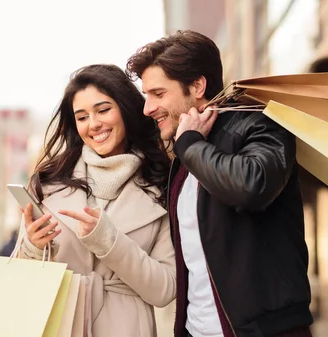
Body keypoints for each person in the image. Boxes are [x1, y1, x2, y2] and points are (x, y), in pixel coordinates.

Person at [126, 30, 313, 337]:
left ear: (197, 85)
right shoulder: (185, 157)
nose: (148, 108)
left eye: (158, 94)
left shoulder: (259, 124)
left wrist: (190, 143)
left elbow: (252, 185)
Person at [17, 64, 176, 337]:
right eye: (82, 117)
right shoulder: (47, 183)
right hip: (58, 325)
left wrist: (109, 241)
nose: (94, 124)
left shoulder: (163, 184)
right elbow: (20, 275)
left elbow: (164, 290)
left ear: (126, 109)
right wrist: (32, 247)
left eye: (103, 110)